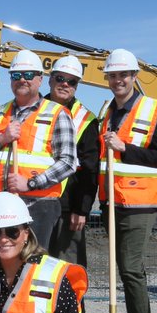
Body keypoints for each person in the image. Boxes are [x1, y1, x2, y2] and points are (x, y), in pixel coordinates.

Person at [78, 48, 157, 313]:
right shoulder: (107, 111)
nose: (118, 80)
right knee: (122, 268)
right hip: (112, 202)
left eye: (124, 75)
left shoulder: (151, 108)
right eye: (113, 75)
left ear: (134, 77)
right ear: (107, 78)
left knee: (131, 269)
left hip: (139, 202)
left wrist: (124, 148)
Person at [0, 50, 78, 249]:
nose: (22, 79)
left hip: (39, 204)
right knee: (0, 262)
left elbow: (68, 162)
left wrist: (30, 183)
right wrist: (2, 138)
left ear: (40, 79)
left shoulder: (57, 113)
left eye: (29, 75)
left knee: (32, 263)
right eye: (16, 75)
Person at [46, 55, 99, 270]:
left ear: (77, 86)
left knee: (68, 270)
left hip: (66, 208)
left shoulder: (86, 119)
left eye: (72, 81)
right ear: (50, 80)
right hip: (32, 204)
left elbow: (90, 168)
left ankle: (75, 306)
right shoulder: (32, 110)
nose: (65, 84)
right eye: (60, 78)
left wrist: (81, 209)